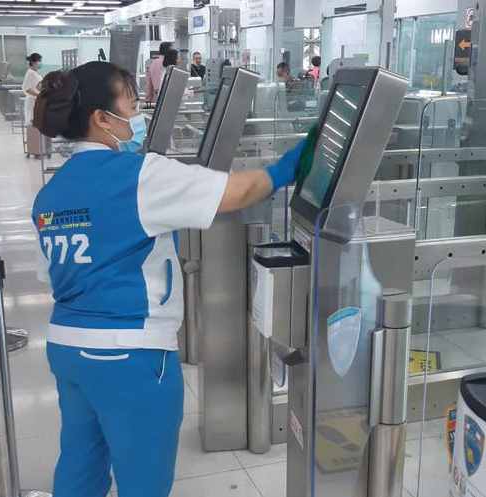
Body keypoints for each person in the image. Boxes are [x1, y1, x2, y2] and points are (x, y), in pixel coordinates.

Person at [31, 60, 306, 497]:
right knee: (145, 480)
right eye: (130, 102)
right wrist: (289, 166)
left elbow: (65, 265)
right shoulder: (138, 175)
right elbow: (237, 192)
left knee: (81, 466)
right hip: (130, 357)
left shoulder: (52, 190)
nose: (137, 114)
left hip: (67, 349)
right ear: (103, 119)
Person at [22, 52, 43, 123]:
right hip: (32, 103)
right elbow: (27, 89)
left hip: (36, 102)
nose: (41, 63)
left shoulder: (34, 73)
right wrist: (39, 95)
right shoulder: (30, 73)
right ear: (34, 62)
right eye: (39, 61)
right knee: (33, 125)